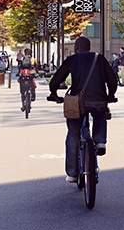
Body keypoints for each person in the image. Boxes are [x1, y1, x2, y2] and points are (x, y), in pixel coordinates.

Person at [47, 36, 118, 183]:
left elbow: (56, 80)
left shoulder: (72, 59)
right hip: (99, 100)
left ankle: (72, 173)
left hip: (77, 102)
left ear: (76, 47)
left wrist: (54, 93)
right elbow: (112, 79)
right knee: (100, 115)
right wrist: (111, 94)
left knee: (73, 133)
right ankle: (100, 141)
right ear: (90, 47)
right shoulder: (99, 58)